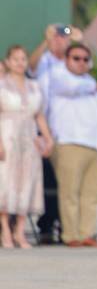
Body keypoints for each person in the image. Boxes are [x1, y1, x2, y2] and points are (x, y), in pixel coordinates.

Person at [46, 44, 97, 247]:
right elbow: (71, 88)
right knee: (69, 192)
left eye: (85, 59)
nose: (81, 62)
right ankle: (71, 235)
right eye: (76, 58)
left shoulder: (90, 81)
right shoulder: (58, 75)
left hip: (95, 145)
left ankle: (86, 233)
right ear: (66, 59)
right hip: (70, 142)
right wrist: (94, 87)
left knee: (90, 194)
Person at [30, 23, 79, 244]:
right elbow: (30, 66)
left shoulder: (72, 62)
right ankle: (46, 225)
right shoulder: (44, 61)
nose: (60, 40)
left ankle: (63, 225)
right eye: (57, 37)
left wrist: (79, 41)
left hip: (65, 130)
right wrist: (47, 40)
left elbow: (87, 64)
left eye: (63, 37)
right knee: (46, 181)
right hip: (42, 127)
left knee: (65, 182)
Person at [0, 45, 52, 248]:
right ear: (8, 62)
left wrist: (47, 138)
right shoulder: (2, 85)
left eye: (23, 59)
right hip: (8, 135)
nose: (20, 63)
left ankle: (20, 231)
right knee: (6, 181)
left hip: (29, 137)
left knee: (27, 181)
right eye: (16, 59)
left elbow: (39, 115)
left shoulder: (34, 86)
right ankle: (5, 230)